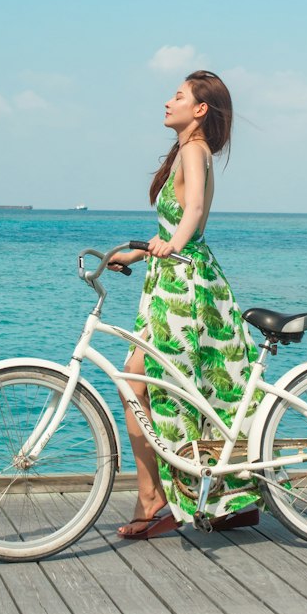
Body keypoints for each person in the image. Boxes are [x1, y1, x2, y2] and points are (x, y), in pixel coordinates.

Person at [108, 70, 262, 540]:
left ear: (200, 110)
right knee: (137, 384)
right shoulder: (184, 153)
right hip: (172, 279)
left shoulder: (194, 151)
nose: (166, 102)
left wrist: (173, 244)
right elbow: (180, 220)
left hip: (185, 286)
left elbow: (193, 212)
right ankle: (157, 495)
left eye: (177, 96)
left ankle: (157, 497)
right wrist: (140, 250)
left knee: (153, 387)